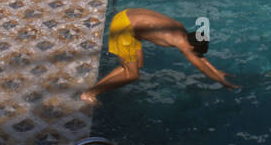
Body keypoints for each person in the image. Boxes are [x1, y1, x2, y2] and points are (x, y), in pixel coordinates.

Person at [79, 7, 239, 103]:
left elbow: (200, 57)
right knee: (133, 75)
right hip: (124, 28)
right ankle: (89, 94)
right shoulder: (183, 44)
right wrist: (224, 83)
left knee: (134, 66)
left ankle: (92, 90)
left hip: (127, 17)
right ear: (191, 46)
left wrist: (216, 71)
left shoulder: (184, 32)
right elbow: (201, 66)